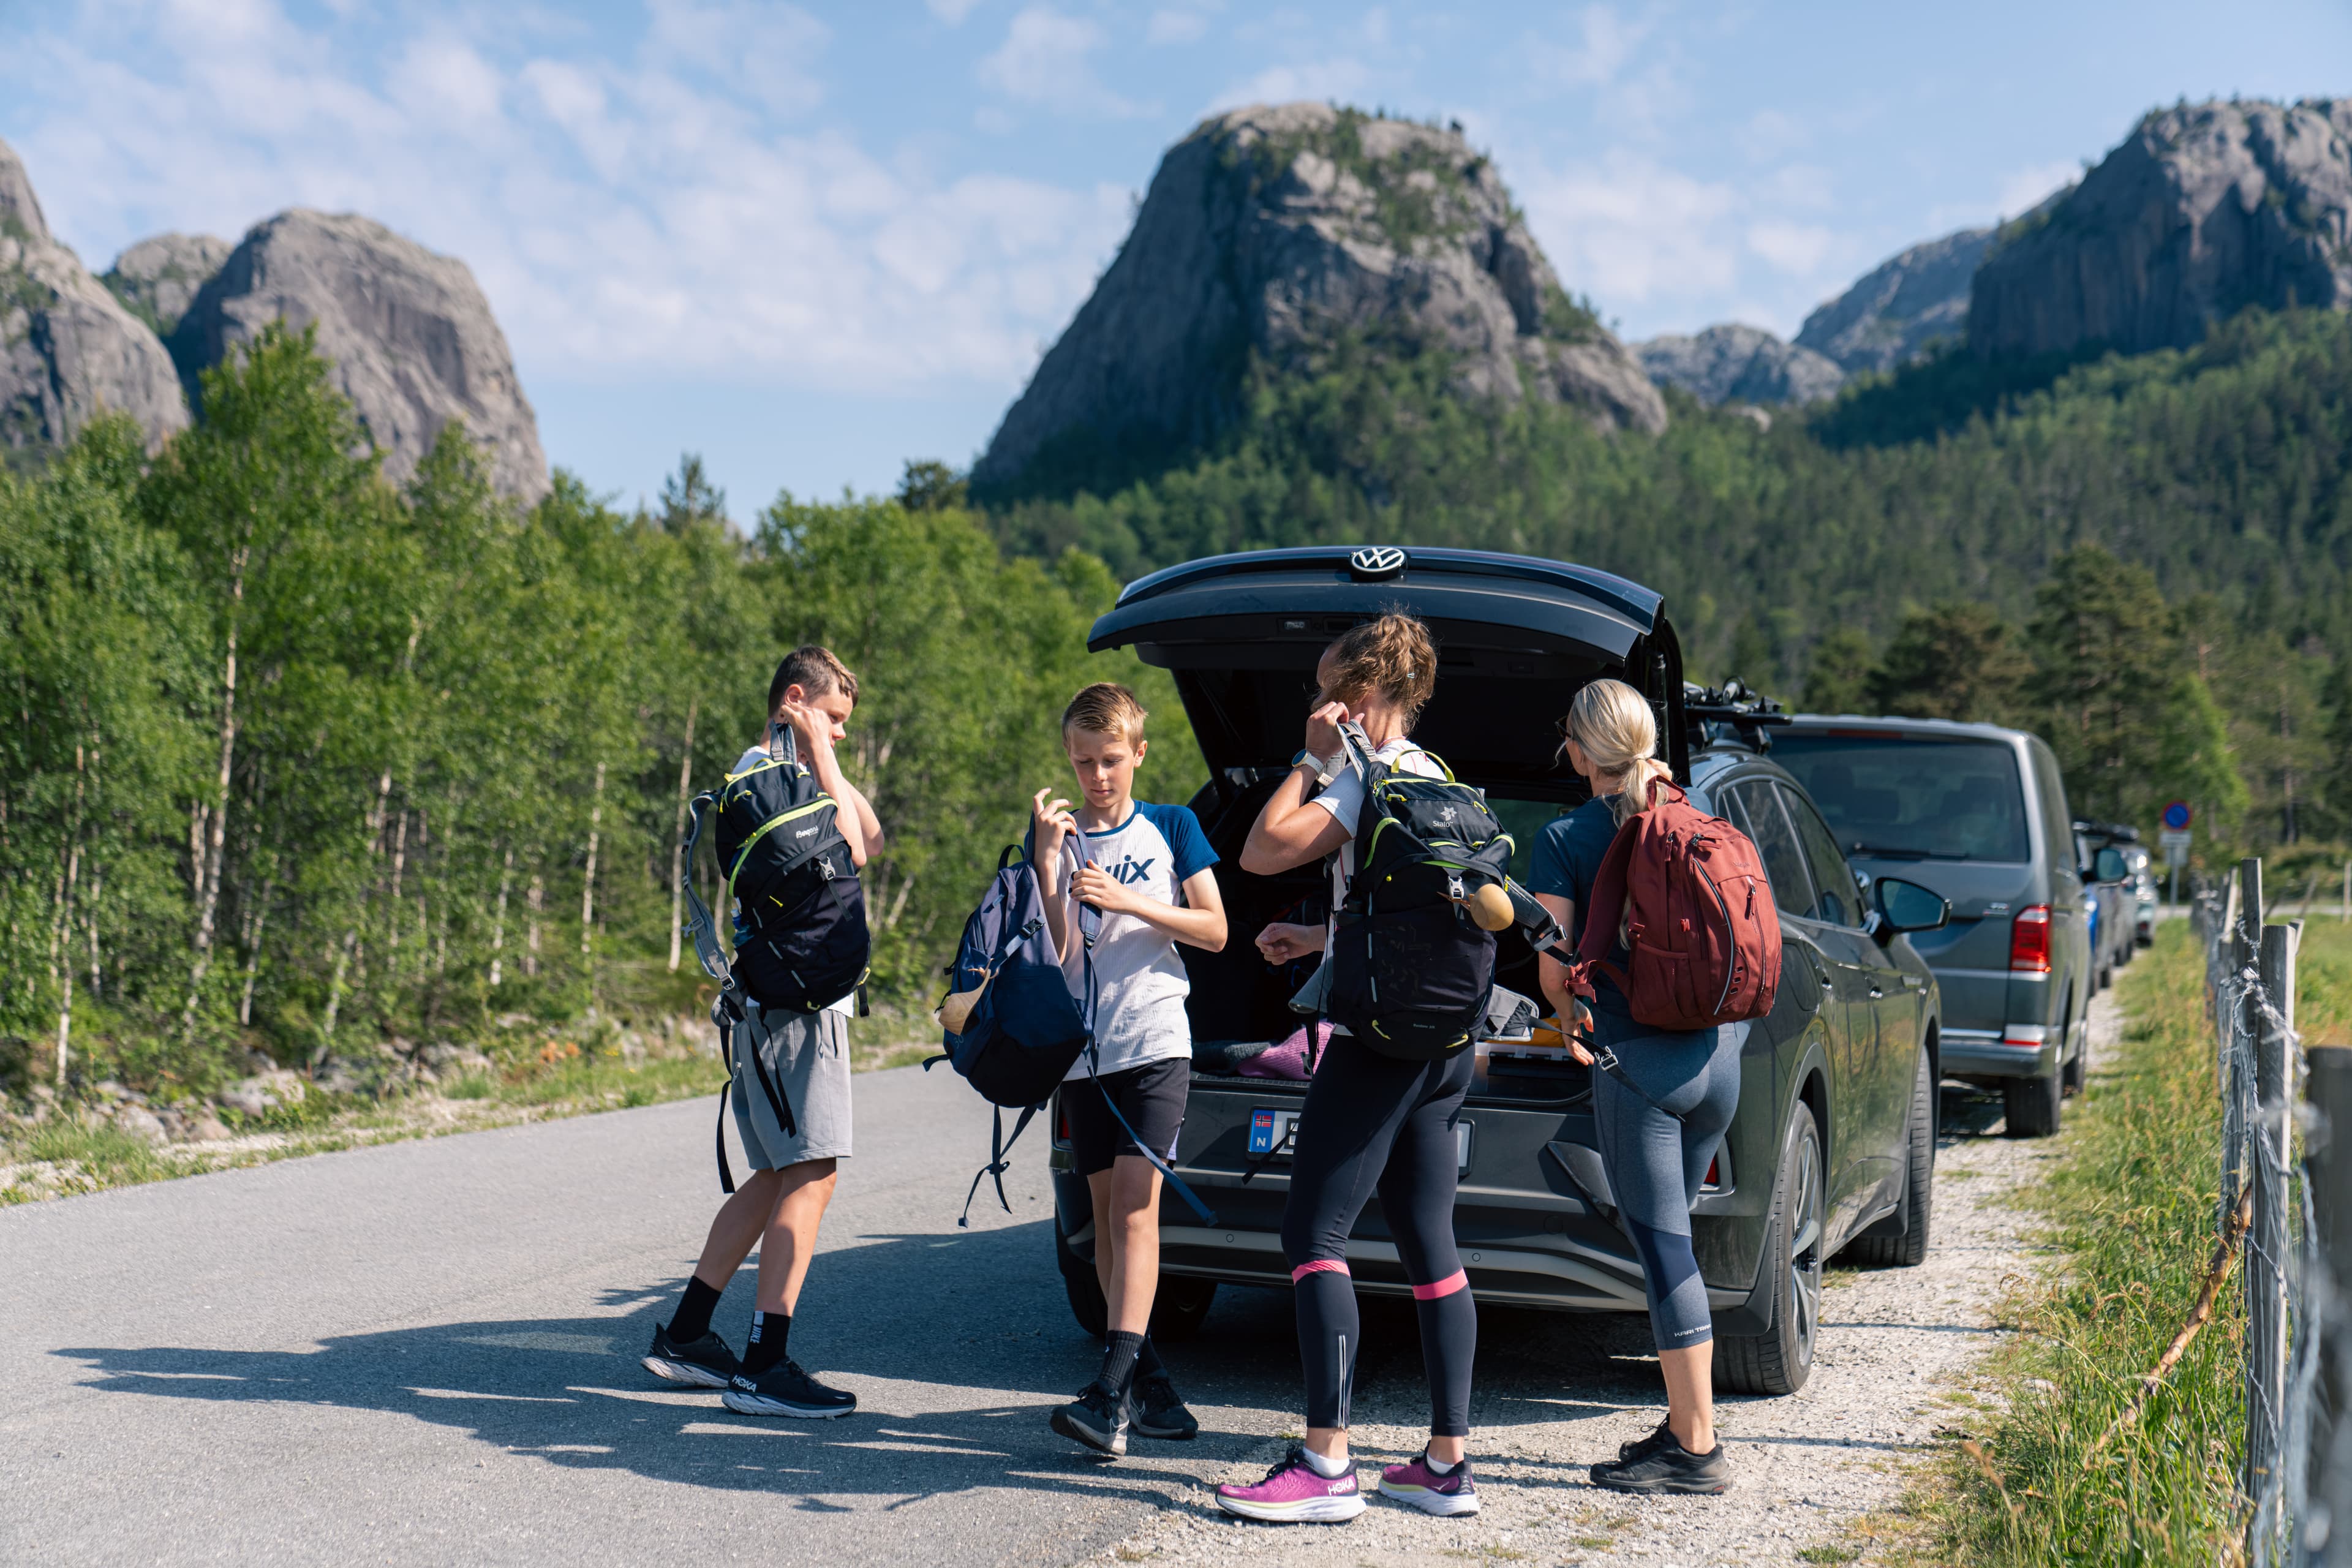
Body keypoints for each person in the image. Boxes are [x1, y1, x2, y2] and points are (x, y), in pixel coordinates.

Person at [1215, 613, 1482, 1523]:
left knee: (1311, 1236)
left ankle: (1327, 1464)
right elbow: (1415, 918)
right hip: (1449, 1048)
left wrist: (1311, 759)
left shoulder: (1363, 778)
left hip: (1376, 1046)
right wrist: (1322, 937)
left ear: (1359, 697)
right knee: (1430, 1246)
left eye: (1324, 689)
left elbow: (1260, 851)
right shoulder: (1440, 779)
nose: (1313, 704)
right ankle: (1447, 1466)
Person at [642, 645, 886, 1419]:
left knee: (779, 1176)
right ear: (794, 699)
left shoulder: (787, 783)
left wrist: (824, 757)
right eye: (835, 718)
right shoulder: (775, 781)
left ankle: (684, 1335)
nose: (841, 736)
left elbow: (868, 839)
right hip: (799, 1012)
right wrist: (814, 748)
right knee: (812, 1172)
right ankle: (765, 1363)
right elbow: (854, 847)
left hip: (770, 1005)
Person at [1528, 677, 1738, 1495]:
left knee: (1661, 1250)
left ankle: (1699, 1451)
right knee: (1675, 1238)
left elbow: (1555, 966)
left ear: (1580, 752)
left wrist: (1567, 1015)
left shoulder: (1566, 835)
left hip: (1639, 1068)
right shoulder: (1697, 814)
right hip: (1718, 1060)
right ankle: (1683, 1424)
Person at [1030, 682, 1227, 1458]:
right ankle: (1150, 1389)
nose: (1096, 777)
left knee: (1138, 1214)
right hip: (1086, 1055)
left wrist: (1134, 901)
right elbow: (1060, 954)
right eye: (1082, 762)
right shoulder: (1063, 833)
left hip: (1153, 1041)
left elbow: (1213, 930)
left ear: (1139, 754)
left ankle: (1108, 1389)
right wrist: (1049, 868)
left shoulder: (1173, 826)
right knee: (1107, 1222)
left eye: (1110, 760)